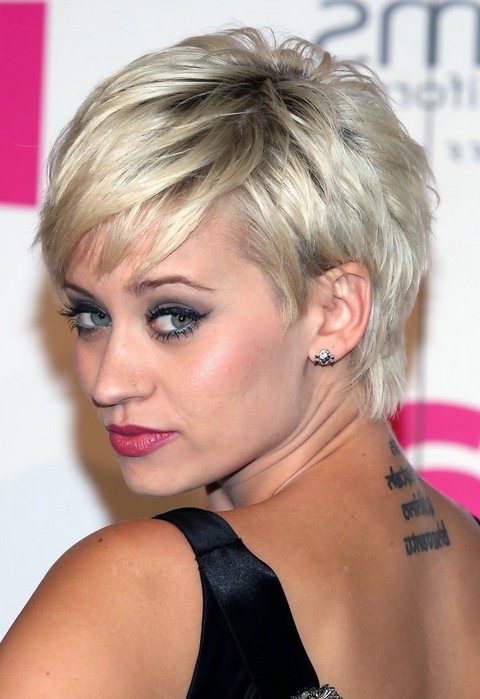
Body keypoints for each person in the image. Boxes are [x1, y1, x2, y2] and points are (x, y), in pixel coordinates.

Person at [0, 26, 479, 699]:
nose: (108, 381)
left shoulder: (140, 593)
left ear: (335, 310)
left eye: (174, 317)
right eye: (89, 315)